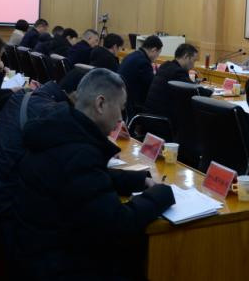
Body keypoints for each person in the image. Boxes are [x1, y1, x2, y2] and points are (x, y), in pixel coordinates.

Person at [10, 68, 175, 280]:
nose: (120, 119)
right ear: (100, 104)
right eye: (120, 109)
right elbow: (119, 224)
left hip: (36, 249)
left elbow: (85, 181)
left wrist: (139, 180)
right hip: (60, 265)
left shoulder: (61, 128)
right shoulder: (79, 154)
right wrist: (160, 194)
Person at [0, 70, 86, 239]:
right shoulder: (51, 114)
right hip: (5, 210)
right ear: (76, 95)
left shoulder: (25, 96)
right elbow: (72, 168)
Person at [143, 43, 211, 124]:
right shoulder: (177, 72)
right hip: (162, 122)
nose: (193, 66)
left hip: (150, 116)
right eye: (194, 60)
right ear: (186, 56)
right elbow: (196, 91)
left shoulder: (166, 65)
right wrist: (211, 91)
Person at [118, 35, 163, 116]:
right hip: (131, 105)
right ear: (154, 50)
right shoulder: (143, 62)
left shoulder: (132, 55)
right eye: (158, 54)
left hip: (121, 98)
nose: (157, 57)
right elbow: (151, 86)